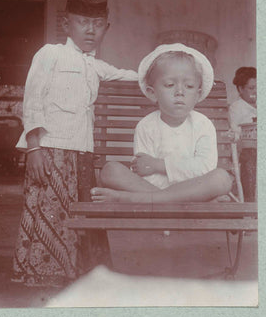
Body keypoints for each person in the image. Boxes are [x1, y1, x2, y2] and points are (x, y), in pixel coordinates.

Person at [12, 0, 138, 287]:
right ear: (67, 25)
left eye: (97, 23)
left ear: (107, 27)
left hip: (82, 152)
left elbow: (133, 77)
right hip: (50, 150)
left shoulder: (98, 66)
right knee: (49, 211)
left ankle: (79, 272)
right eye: (83, 22)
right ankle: (42, 272)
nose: (90, 29)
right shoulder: (50, 54)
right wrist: (33, 149)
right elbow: (32, 101)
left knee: (79, 212)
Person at [91, 43, 232, 203]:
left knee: (221, 178)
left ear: (198, 94)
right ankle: (173, 201)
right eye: (170, 85)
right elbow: (145, 170)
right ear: (152, 93)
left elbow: (205, 168)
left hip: (194, 187)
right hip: (172, 192)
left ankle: (131, 199)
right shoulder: (146, 126)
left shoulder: (203, 124)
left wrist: (160, 165)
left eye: (189, 86)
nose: (180, 92)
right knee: (110, 170)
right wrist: (166, 189)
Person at [229, 67, 257, 201]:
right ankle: (250, 201)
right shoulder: (237, 108)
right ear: (240, 89)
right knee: (250, 155)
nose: (256, 92)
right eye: (251, 88)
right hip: (245, 151)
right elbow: (236, 133)